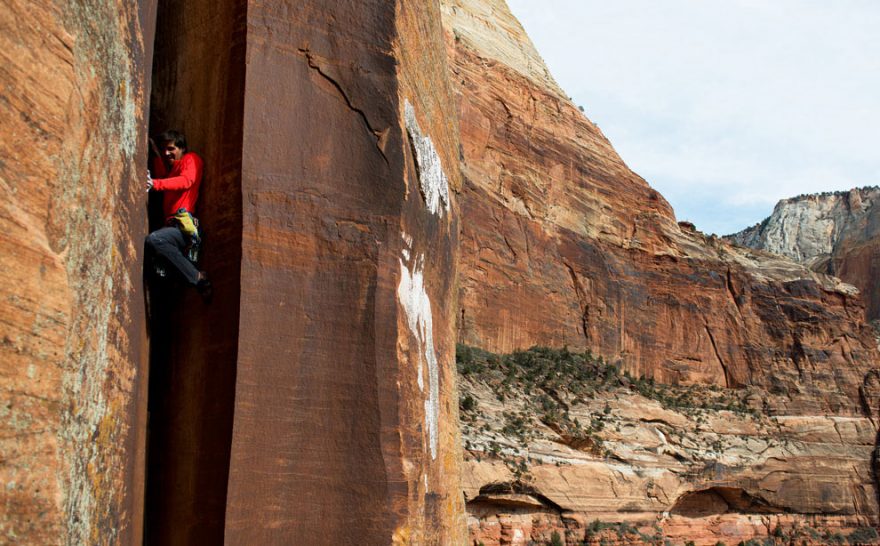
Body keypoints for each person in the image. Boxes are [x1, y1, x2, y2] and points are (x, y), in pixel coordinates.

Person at [145, 130, 211, 299]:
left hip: (183, 225)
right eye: (164, 149)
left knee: (155, 239)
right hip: (172, 226)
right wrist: (155, 154)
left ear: (182, 148)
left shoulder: (191, 159)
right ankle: (193, 280)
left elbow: (185, 181)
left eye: (171, 149)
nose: (167, 153)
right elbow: (166, 178)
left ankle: (197, 277)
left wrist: (155, 184)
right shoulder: (174, 169)